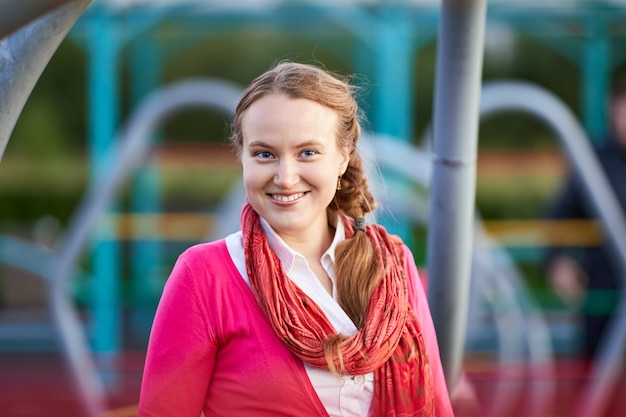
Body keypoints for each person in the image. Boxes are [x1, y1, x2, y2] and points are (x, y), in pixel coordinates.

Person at [138, 61, 454, 416]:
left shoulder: (393, 265)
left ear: (342, 158)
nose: (286, 177)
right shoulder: (204, 275)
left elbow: (437, 408)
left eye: (307, 152)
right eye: (264, 154)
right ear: (242, 158)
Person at [545, 74, 626, 360]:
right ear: (612, 108)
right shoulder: (594, 160)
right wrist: (558, 261)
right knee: (599, 377)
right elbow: (559, 214)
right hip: (604, 296)